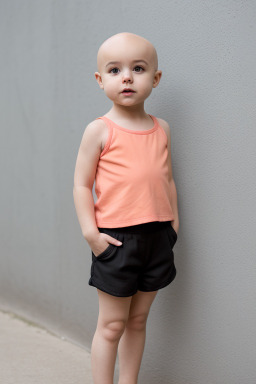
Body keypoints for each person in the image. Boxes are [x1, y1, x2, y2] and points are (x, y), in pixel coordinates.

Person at [73, 32, 179, 384]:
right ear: (101, 80)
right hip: (116, 241)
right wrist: (92, 234)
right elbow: (81, 185)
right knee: (113, 323)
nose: (128, 77)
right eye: (115, 70)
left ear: (155, 78)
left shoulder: (161, 129)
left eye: (138, 68)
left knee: (137, 321)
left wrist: (173, 226)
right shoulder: (99, 130)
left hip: (158, 237)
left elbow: (166, 179)